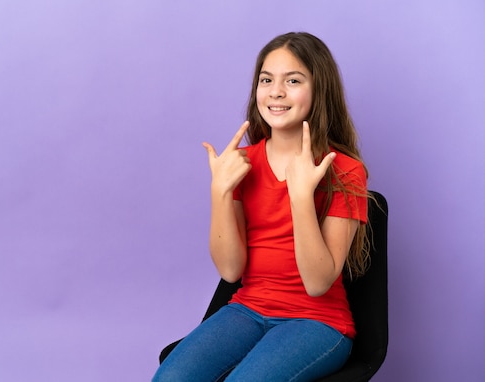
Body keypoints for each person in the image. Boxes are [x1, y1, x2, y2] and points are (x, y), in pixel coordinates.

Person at [153, 32, 370, 382]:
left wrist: (301, 196)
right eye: (266, 80)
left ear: (319, 90)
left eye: (293, 80)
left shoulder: (343, 169)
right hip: (248, 309)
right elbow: (230, 270)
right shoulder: (240, 164)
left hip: (318, 322)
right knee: (170, 379)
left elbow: (317, 283)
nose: (276, 92)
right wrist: (220, 191)